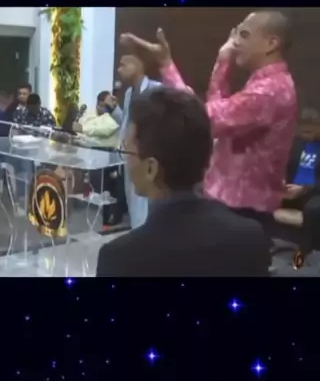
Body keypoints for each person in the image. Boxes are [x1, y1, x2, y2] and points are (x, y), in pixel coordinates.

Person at [120, 11, 297, 228]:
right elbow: (216, 114)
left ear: (271, 43)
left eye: (244, 35)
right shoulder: (267, 85)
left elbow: (203, 120)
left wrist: (169, 64)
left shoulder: (269, 91)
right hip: (234, 206)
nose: (235, 42)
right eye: (235, 34)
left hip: (243, 212)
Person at [96, 88, 271, 278]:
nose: (126, 161)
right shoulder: (250, 237)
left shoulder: (120, 260)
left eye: (126, 150)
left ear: (151, 169)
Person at [108, 53, 162, 229]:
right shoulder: (129, 93)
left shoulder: (156, 89)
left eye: (124, 65)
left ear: (137, 65)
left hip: (147, 156)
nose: (119, 70)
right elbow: (127, 122)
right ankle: (137, 232)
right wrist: (114, 109)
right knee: (133, 202)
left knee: (145, 203)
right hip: (129, 154)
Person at [274, 108, 320, 256]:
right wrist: (280, 181)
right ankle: (265, 243)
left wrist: (304, 189)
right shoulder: (296, 143)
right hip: (292, 190)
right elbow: (282, 165)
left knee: (312, 209)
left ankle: (306, 250)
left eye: (310, 132)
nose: (306, 136)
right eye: (303, 132)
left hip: (314, 192)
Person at [75, 92, 124, 229]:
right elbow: (82, 126)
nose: (102, 109)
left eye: (105, 106)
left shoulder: (114, 116)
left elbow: (105, 129)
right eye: (101, 105)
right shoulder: (91, 113)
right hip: (94, 153)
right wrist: (83, 129)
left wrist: (84, 129)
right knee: (97, 188)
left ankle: (111, 219)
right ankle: (99, 218)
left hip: (109, 154)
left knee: (110, 189)